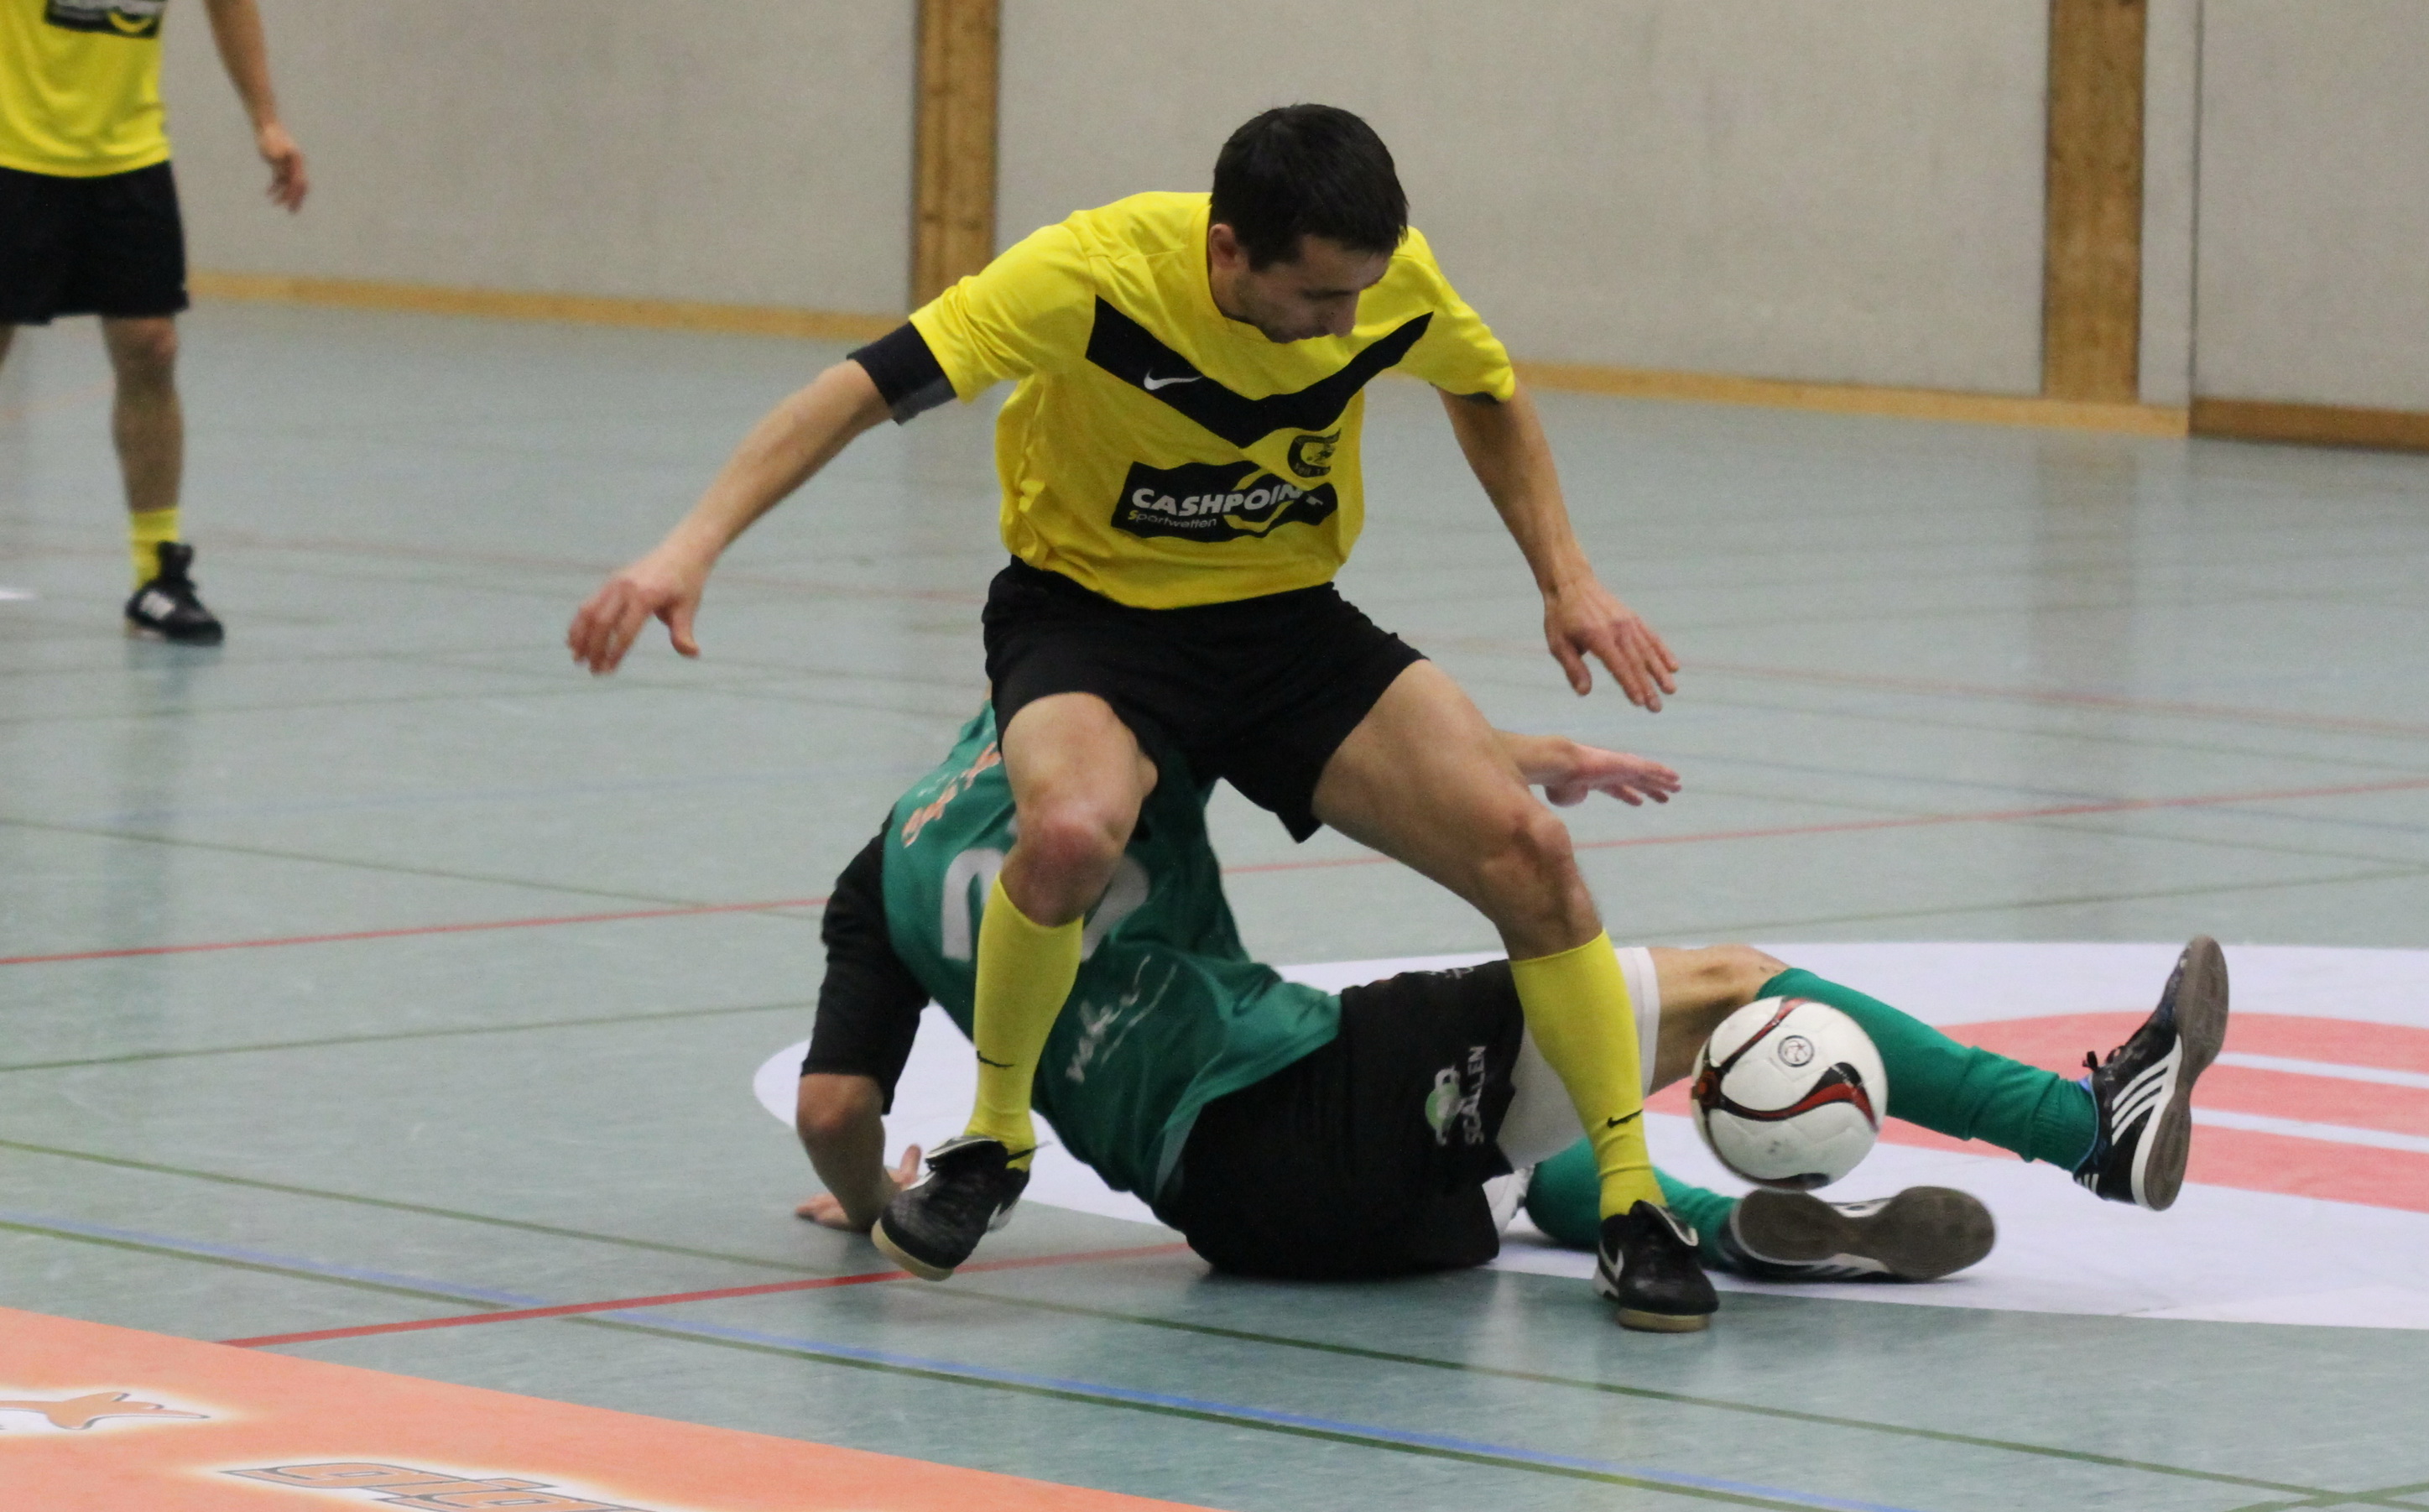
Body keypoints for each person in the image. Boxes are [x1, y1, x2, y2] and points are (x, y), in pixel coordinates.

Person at [571, 106, 1696, 1323]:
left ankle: (1632, 1200)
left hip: (1281, 620)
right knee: (1069, 831)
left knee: (1530, 850)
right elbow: (857, 392)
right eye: (1319, 297)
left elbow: (1485, 389)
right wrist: (688, 547)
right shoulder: (1085, 279)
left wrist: (1566, 578)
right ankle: (992, 1141)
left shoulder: (1390, 283)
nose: (1347, 326)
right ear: (1228, 253)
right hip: (1091, 618)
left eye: (1362, 295)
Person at [787, 702, 2230, 1328]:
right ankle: (2090, 1128)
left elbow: (835, 1107)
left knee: (1505, 1132)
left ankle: (1721, 1228)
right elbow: (1356, 735)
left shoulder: (883, 866)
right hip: (1302, 1103)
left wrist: (870, 1204)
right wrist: (1521, 761)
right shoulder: (1129, 718)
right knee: (1719, 986)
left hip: (1251, 1225)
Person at [0, 0, 309, 644]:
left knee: (152, 346)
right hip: (11, 152)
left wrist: (266, 120)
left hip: (127, 155)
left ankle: (156, 579)